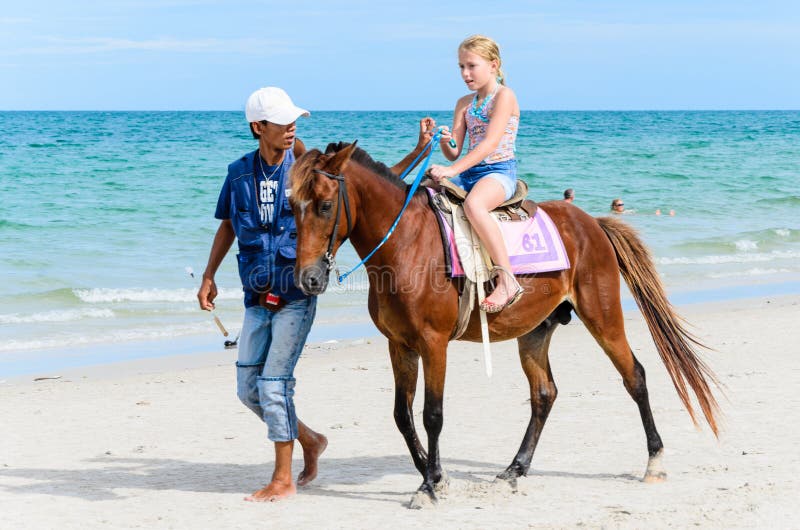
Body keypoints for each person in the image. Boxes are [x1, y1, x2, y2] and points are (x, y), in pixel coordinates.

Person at [198, 87, 434, 502]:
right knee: (247, 389)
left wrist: (418, 152)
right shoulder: (237, 175)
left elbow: (371, 187)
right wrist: (208, 274)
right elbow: (228, 226)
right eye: (282, 121)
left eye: (294, 121)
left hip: (295, 292)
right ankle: (310, 440)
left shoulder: (308, 171)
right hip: (256, 291)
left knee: (273, 386)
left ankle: (283, 479)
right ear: (258, 128)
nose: (291, 128)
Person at [429, 35, 523, 313]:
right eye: (461, 67)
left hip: (499, 172)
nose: (465, 73)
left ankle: (507, 280)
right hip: (468, 171)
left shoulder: (505, 96)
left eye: (472, 66)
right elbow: (454, 151)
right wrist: (444, 138)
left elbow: (489, 144)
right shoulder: (463, 103)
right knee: (424, 195)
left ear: (493, 65)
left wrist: (451, 170)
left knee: (475, 205)